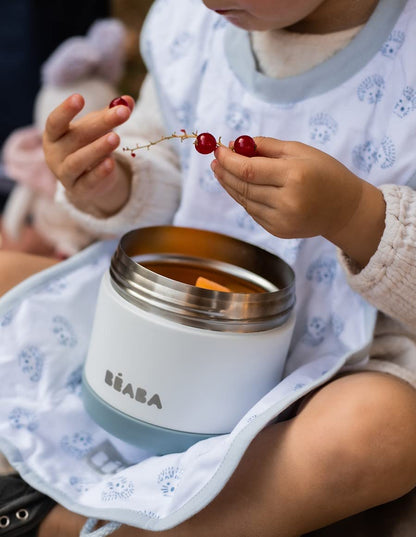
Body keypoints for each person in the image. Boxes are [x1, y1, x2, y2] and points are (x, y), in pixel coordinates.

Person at [1, 0, 416, 536]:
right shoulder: (191, 28)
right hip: (165, 326)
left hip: (327, 366)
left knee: (380, 432)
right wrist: (115, 184)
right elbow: (166, 164)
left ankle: (69, 523)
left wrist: (355, 215)